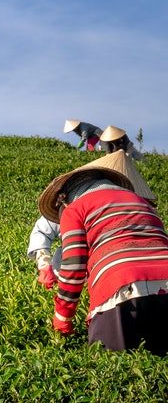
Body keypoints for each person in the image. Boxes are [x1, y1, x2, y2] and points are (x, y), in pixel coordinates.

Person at [38, 151, 168, 352]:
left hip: (121, 289)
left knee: (112, 368)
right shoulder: (143, 203)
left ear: (66, 198)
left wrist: (62, 318)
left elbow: (74, 266)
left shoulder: (75, 208)